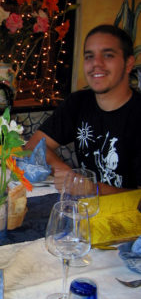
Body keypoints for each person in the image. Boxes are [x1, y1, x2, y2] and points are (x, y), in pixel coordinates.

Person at [25, 24, 141, 194]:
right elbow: (34, 145)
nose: (96, 64)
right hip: (82, 210)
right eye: (89, 56)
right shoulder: (78, 102)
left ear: (128, 63)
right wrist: (65, 172)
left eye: (108, 55)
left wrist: (92, 188)